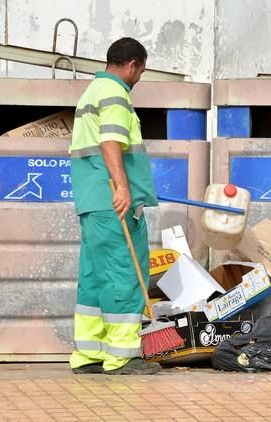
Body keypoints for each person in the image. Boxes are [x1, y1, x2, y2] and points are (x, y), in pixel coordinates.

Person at [68, 37, 160, 375]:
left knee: (94, 278)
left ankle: (89, 353)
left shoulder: (91, 92)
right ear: (133, 65)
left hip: (93, 203)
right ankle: (122, 356)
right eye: (141, 72)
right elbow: (111, 142)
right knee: (124, 273)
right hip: (114, 204)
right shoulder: (115, 94)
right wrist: (123, 188)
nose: (139, 79)